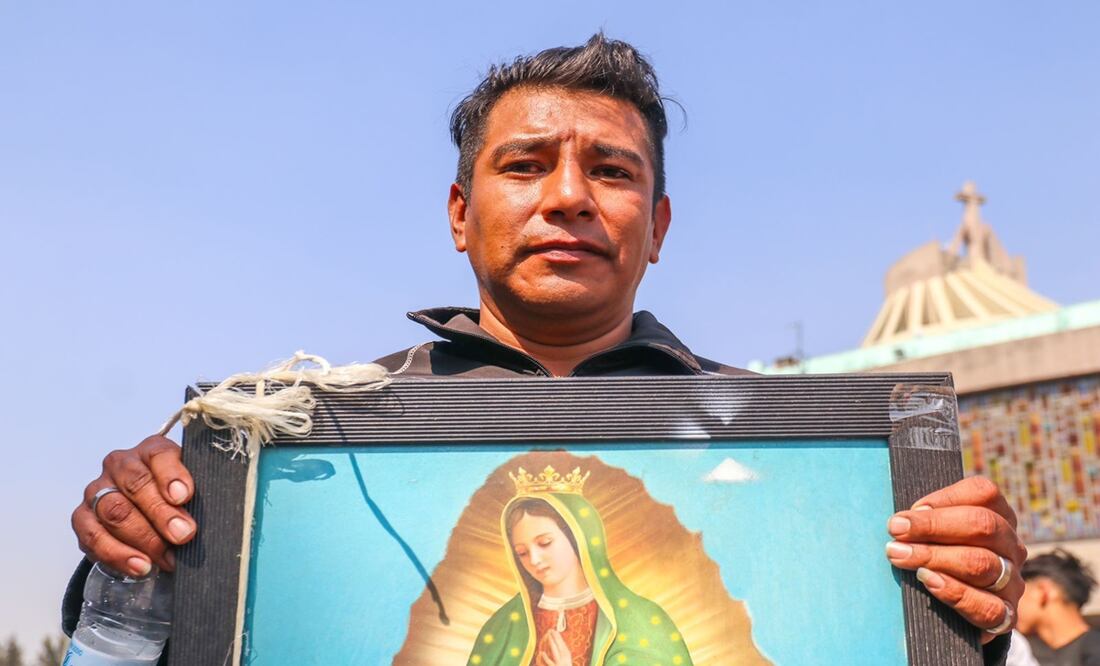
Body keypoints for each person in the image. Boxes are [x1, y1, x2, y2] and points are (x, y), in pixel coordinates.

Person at [65, 33, 1025, 664]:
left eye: (609, 171)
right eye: (524, 166)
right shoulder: (318, 439)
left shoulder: (799, 464)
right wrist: (143, 555)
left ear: (656, 226)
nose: (567, 196)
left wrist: (967, 609)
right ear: (459, 214)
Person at [469, 468, 691, 666]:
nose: (534, 560)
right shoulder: (503, 627)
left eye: (545, 543)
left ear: (578, 538)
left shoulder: (642, 620)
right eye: (522, 553)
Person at [1016, 549, 1100, 665]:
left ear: (1042, 592)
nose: (1012, 606)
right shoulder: (1028, 655)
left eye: (1018, 595)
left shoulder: (1095, 652)